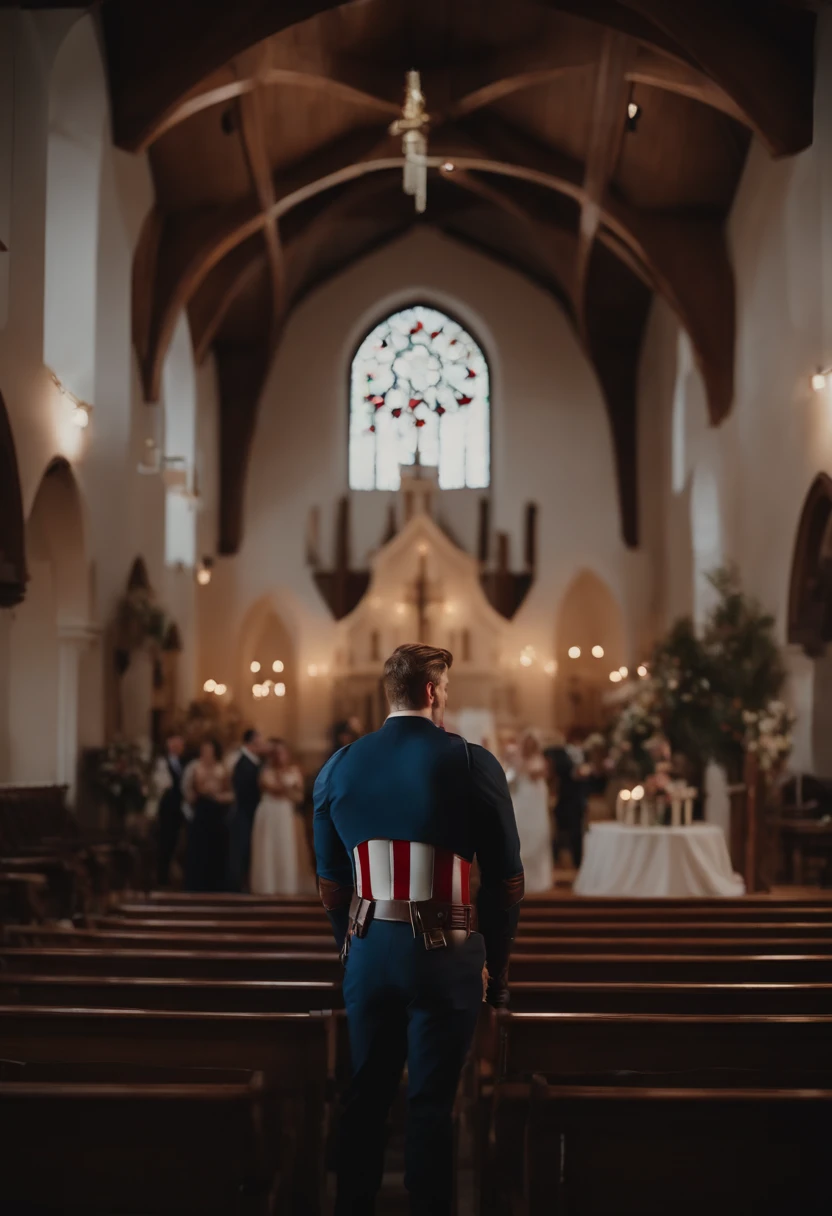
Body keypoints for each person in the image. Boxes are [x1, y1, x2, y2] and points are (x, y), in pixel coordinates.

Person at [314, 642, 523, 1216]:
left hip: (369, 948)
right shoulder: (470, 761)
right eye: (446, 689)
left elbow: (331, 880)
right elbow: (506, 881)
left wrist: (348, 944)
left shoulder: (339, 765)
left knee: (366, 1096)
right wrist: (497, 969)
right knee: (431, 1104)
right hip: (445, 952)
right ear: (432, 692)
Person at [250, 738, 305, 895]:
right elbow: (273, 789)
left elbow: (299, 796)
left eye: (283, 753)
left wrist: (290, 789)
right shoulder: (266, 772)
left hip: (284, 813)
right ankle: (267, 886)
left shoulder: (294, 771)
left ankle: (285, 886)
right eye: (277, 753)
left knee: (284, 847)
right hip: (269, 813)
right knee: (268, 847)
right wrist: (289, 787)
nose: (280, 756)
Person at [504, 730, 553, 893]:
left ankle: (539, 880)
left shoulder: (540, 760)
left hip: (536, 803)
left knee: (538, 836)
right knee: (521, 837)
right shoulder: (516, 760)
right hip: (522, 802)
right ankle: (519, 878)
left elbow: (538, 775)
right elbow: (510, 779)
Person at [185, 738, 234, 892]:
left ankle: (216, 885)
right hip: (202, 812)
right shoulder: (196, 768)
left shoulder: (222, 769)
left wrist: (221, 797)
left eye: (208, 750)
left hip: (217, 813)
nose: (206, 753)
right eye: (203, 750)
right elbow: (193, 791)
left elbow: (230, 792)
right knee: (199, 850)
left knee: (217, 850)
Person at [228, 727, 265, 891]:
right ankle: (239, 888)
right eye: (259, 739)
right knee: (242, 851)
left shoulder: (253, 762)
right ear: (252, 741)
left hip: (250, 813)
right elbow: (243, 791)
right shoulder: (243, 763)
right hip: (245, 813)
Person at [545, 731, 588, 870]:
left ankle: (574, 862)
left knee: (572, 833)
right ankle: (568, 861)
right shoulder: (557, 755)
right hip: (566, 800)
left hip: (572, 800)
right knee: (565, 833)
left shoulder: (561, 755)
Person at [151, 730, 186, 887]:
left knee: (175, 846)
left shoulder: (182, 763)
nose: (178, 746)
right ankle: (162, 880)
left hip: (179, 811)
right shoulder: (162, 763)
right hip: (166, 812)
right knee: (164, 846)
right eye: (175, 743)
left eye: (180, 744)